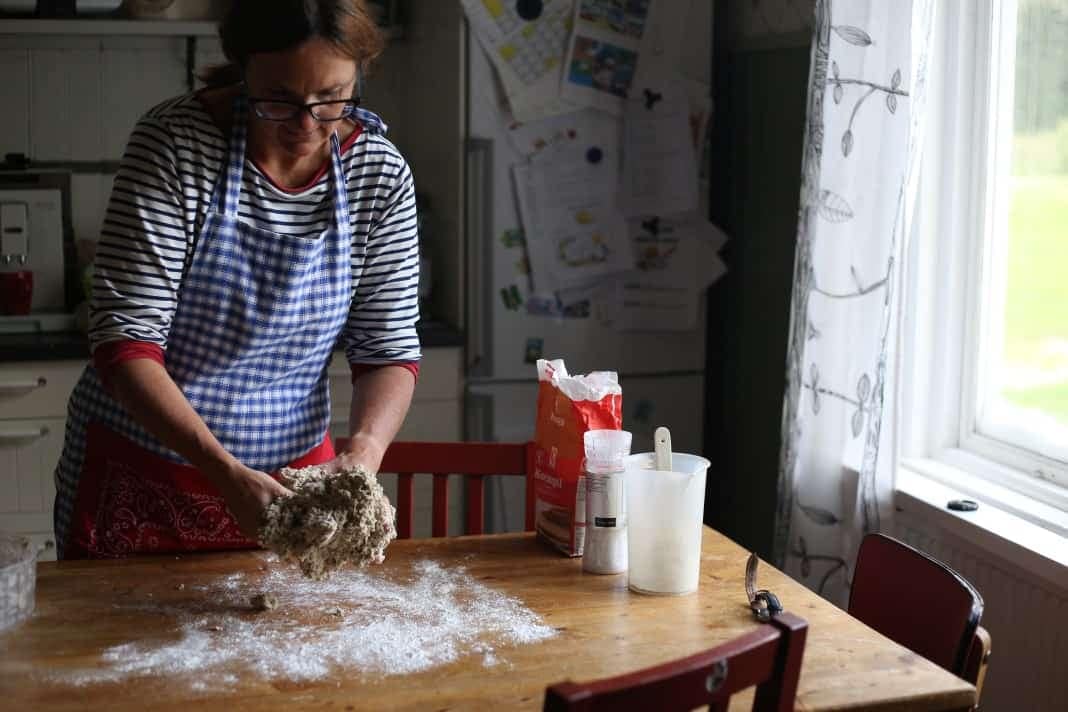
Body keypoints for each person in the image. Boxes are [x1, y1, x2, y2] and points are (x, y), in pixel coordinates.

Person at [52, 0, 420, 559]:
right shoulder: (174, 144)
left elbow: (386, 348)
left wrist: (364, 452)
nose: (306, 124)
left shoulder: (380, 173)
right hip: (145, 477)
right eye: (279, 98)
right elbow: (126, 341)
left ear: (359, 74)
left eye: (332, 98)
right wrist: (223, 470)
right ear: (243, 68)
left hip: (294, 487)